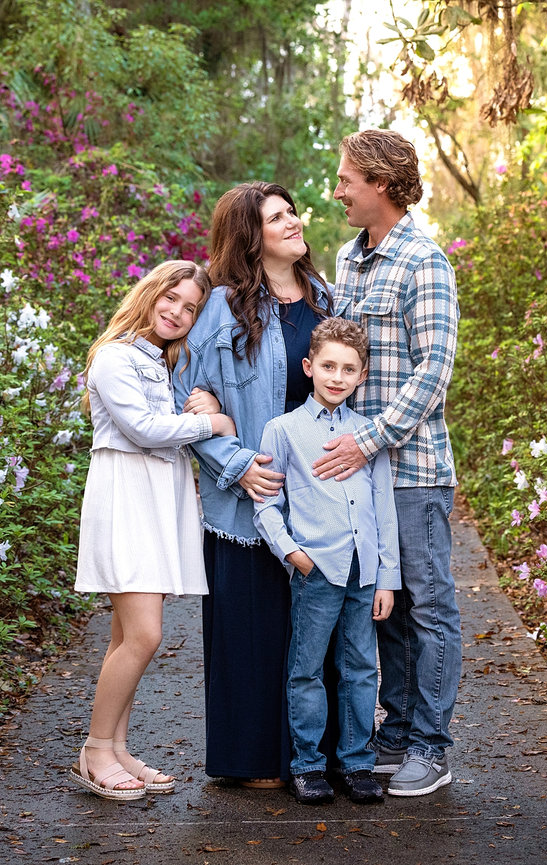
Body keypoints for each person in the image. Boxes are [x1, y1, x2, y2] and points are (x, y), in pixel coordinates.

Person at [313, 129, 462, 797]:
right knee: (390, 607)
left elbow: (434, 372)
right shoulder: (351, 260)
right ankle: (396, 731)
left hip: (413, 471)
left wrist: (368, 438)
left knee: (429, 608)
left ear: (379, 183)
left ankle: (431, 746)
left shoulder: (423, 263)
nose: (336, 189)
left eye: (346, 178)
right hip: (362, 475)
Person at [173, 182, 332, 787]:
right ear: (250, 235)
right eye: (277, 217)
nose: (293, 222)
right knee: (252, 628)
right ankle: (255, 758)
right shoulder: (218, 307)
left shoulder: (325, 300)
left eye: (292, 212)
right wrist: (237, 465)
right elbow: (183, 403)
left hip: (318, 496)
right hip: (247, 497)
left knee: (314, 633)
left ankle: (314, 755)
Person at [69, 260, 236, 801]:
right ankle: (95, 750)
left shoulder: (164, 364)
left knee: (126, 635)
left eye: (190, 308)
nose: (178, 313)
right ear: (150, 293)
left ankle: (115, 746)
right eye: (172, 299)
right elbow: (142, 430)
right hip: (126, 501)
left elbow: (172, 414)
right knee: (145, 635)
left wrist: (205, 402)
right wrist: (211, 423)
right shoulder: (115, 357)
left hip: (156, 503)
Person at [253, 318, 400, 806]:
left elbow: (382, 510)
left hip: (363, 571)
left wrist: (387, 578)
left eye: (349, 369)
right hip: (316, 570)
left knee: (360, 667)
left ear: (362, 376)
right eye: (329, 366)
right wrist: (294, 554)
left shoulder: (367, 436)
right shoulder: (283, 431)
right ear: (309, 367)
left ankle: (358, 763)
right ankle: (309, 764)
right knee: (308, 669)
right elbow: (266, 506)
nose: (337, 377)